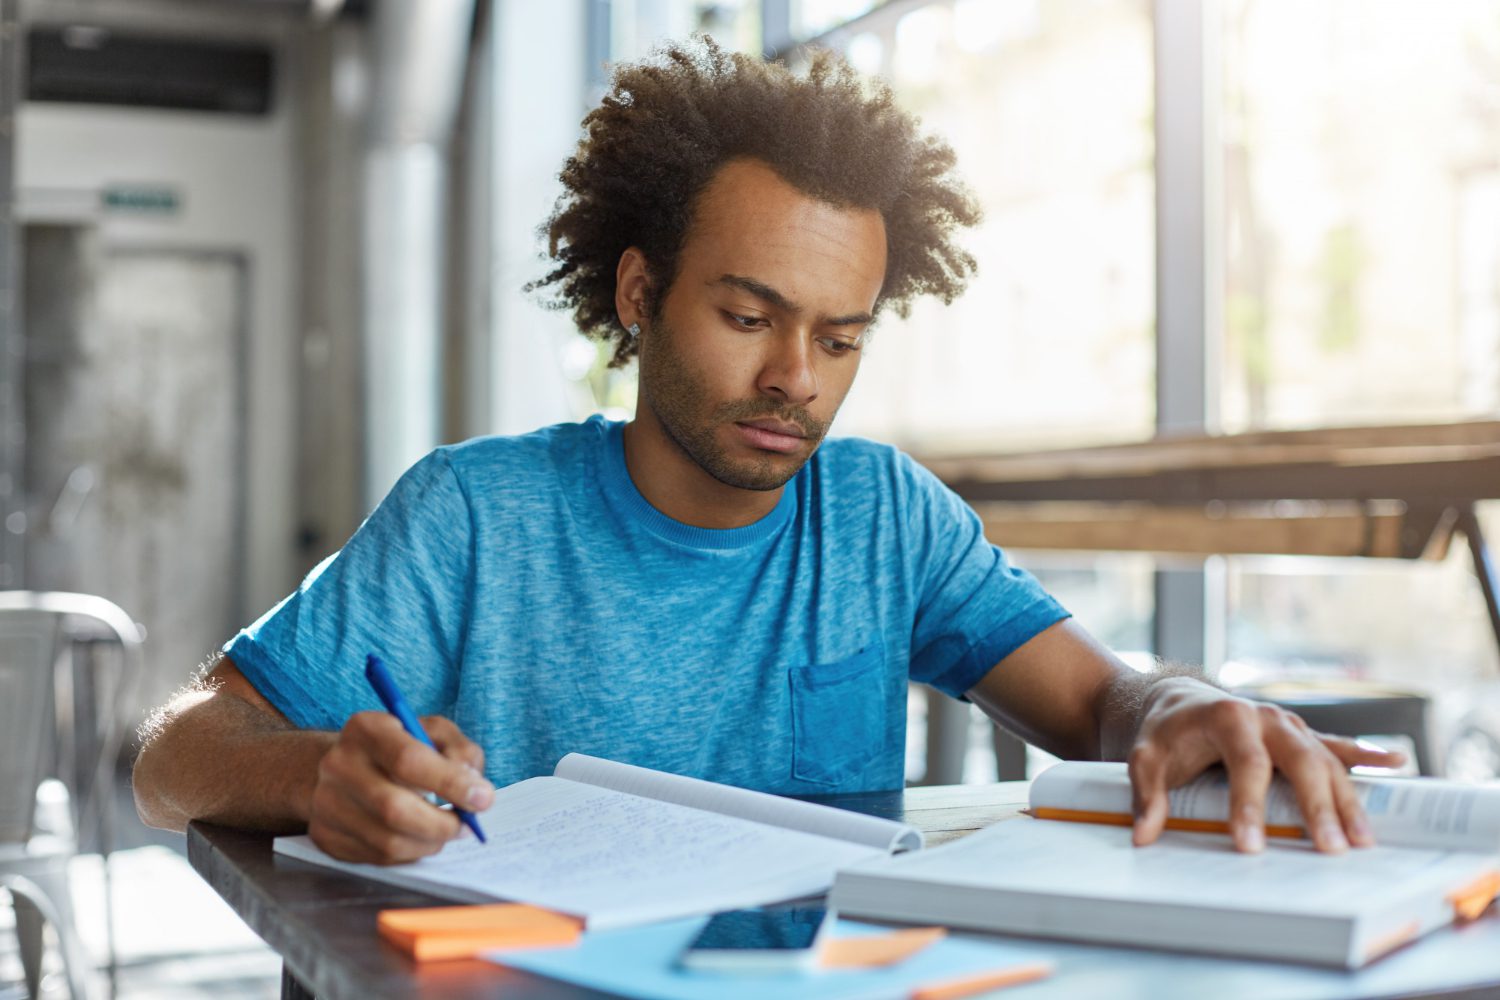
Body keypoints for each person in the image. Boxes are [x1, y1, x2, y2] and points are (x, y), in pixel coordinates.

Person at [133, 38, 1399, 865]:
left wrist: (1180, 704)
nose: (797, 376)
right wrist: (319, 774)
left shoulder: (883, 514)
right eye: (748, 317)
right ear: (637, 293)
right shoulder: (476, 514)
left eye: (840, 337)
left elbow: (1100, 704)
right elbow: (172, 759)